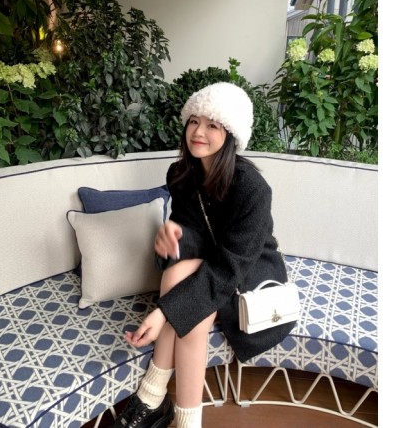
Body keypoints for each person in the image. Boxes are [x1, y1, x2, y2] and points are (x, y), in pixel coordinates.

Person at [110, 82, 296, 428]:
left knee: (188, 309)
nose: (198, 132)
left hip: (248, 274)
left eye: (212, 125)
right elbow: (193, 233)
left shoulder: (252, 188)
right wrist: (174, 238)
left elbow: (230, 267)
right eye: (194, 121)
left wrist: (163, 312)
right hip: (211, 264)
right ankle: (169, 410)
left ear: (231, 134)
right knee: (175, 275)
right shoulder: (181, 174)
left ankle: (155, 400)